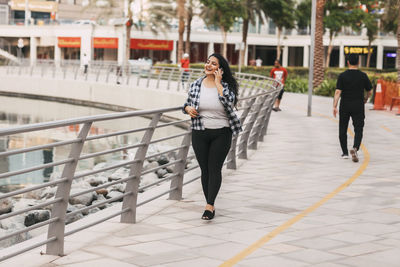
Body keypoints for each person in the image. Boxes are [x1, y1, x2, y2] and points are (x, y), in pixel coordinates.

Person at [183, 53, 242, 220]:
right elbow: (187, 103)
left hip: (221, 132)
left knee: (214, 168)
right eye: (207, 62)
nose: (208, 65)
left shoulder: (226, 86)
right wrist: (187, 109)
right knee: (205, 170)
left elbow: (228, 102)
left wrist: (217, 83)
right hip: (199, 131)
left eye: (213, 63)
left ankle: (209, 206)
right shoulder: (196, 84)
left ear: (220, 69)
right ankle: (209, 202)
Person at [333, 53, 372, 162]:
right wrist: (365, 99)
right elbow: (370, 91)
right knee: (358, 128)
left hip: (345, 105)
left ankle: (345, 153)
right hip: (358, 105)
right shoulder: (363, 76)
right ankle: (355, 148)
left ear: (348, 62)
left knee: (343, 128)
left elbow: (337, 92)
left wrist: (334, 106)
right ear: (358, 62)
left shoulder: (342, 76)